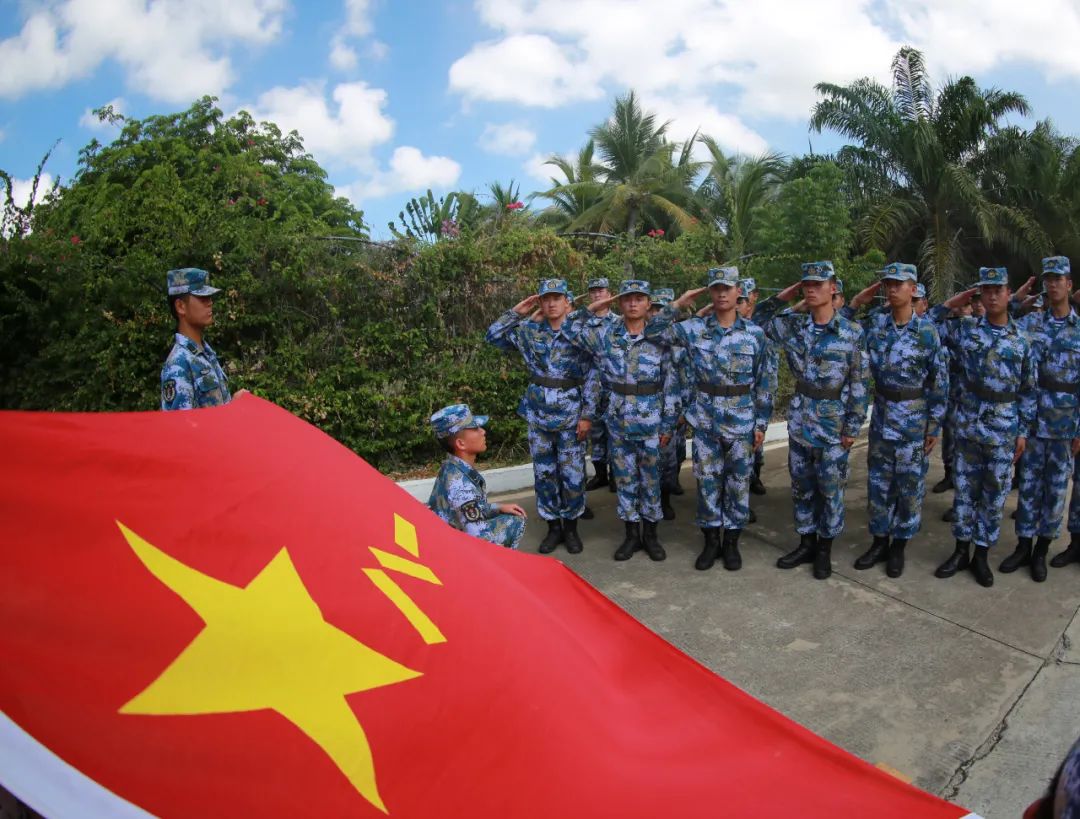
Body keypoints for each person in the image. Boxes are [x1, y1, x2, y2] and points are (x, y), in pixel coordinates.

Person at [753, 261, 870, 579]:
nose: (811, 288)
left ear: (834, 288)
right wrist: (787, 296)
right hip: (802, 422)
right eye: (806, 283)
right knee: (802, 488)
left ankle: (824, 550)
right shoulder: (794, 327)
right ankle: (805, 543)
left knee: (830, 491)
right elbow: (758, 319)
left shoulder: (851, 333)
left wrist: (851, 428)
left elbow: (859, 384)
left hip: (833, 425)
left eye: (818, 283)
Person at [654, 268, 773, 571]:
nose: (721, 293)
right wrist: (678, 304)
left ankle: (731, 543)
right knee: (707, 483)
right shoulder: (693, 329)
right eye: (716, 288)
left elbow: (764, 383)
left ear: (738, 293)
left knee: (737, 484)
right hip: (706, 423)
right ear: (710, 292)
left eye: (727, 288)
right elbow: (652, 331)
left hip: (741, 423)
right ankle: (710, 542)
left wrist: (760, 425)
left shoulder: (754, 334)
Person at [930, 267, 1036, 587]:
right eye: (985, 291)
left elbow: (1029, 391)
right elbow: (927, 324)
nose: (991, 296)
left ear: (1008, 294)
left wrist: (1023, 432)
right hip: (968, 424)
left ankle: (981, 556)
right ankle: (961, 550)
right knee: (964, 490)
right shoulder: (965, 331)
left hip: (1004, 427)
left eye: (997, 290)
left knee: (994, 494)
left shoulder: (1022, 340)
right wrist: (954, 301)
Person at [845, 264, 948, 577]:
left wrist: (934, 425)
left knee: (909, 487)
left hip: (913, 421)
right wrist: (854, 303)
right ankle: (879, 541)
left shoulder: (927, 332)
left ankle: (898, 546)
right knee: (878, 485)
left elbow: (939, 381)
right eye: (888, 284)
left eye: (898, 284)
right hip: (882, 417)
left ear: (913, 288)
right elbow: (846, 330)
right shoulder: (876, 326)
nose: (891, 289)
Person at [486, 279, 599, 555]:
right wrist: (518, 311)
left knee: (572, 475)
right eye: (546, 298)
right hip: (538, 417)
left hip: (571, 416)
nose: (550, 303)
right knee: (545, 474)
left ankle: (571, 529)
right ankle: (553, 529)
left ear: (567, 302)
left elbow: (593, 376)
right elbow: (493, 336)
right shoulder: (530, 333)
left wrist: (587, 415)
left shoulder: (580, 334)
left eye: (556, 298)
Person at [571, 280, 678, 561]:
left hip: (652, 422)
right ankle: (631, 535)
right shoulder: (607, 336)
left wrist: (668, 424)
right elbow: (571, 328)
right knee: (626, 480)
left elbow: (671, 384)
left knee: (651, 481)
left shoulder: (661, 338)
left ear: (647, 304)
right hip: (618, 423)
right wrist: (593, 307)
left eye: (639, 298)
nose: (632, 303)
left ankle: (651, 536)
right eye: (627, 298)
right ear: (618, 302)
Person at [1000, 256, 1080, 582]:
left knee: (1055, 490)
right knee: (1029, 488)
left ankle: (1041, 551)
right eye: (1048, 279)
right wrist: (1018, 298)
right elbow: (1005, 318)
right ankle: (1022, 546)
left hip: (1064, 426)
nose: (1053, 284)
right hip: (1033, 423)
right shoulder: (1031, 325)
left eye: (1059, 278)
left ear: (1069, 284)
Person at [427, 404, 527, 548]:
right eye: (475, 429)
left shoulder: (450, 465)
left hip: (447, 536)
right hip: (454, 549)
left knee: (507, 515)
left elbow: (470, 510)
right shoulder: (462, 488)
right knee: (515, 521)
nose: (483, 431)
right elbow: (480, 540)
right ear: (461, 443)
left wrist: (497, 508)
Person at [161, 267, 236, 410]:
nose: (210, 303)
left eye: (209, 297)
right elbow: (180, 428)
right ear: (180, 306)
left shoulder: (206, 353)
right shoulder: (178, 364)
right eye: (202, 298)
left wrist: (235, 404)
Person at [649, 288, 688, 521]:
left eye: (661, 309)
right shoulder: (643, 340)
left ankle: (665, 500)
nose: (656, 313)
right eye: (653, 309)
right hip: (644, 411)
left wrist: (683, 411)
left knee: (669, 459)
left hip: (672, 410)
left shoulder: (681, 343)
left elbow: (690, 380)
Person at [582, 277, 619, 494]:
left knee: (615, 431)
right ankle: (600, 474)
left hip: (615, 386)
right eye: (593, 292)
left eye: (601, 291)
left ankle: (616, 474)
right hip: (591, 386)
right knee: (595, 432)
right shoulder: (583, 323)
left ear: (609, 294)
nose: (597, 295)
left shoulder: (619, 322)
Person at [741, 277, 771, 497]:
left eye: (747, 294)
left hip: (760, 391)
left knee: (756, 442)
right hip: (739, 396)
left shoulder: (762, 320)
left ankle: (755, 478)